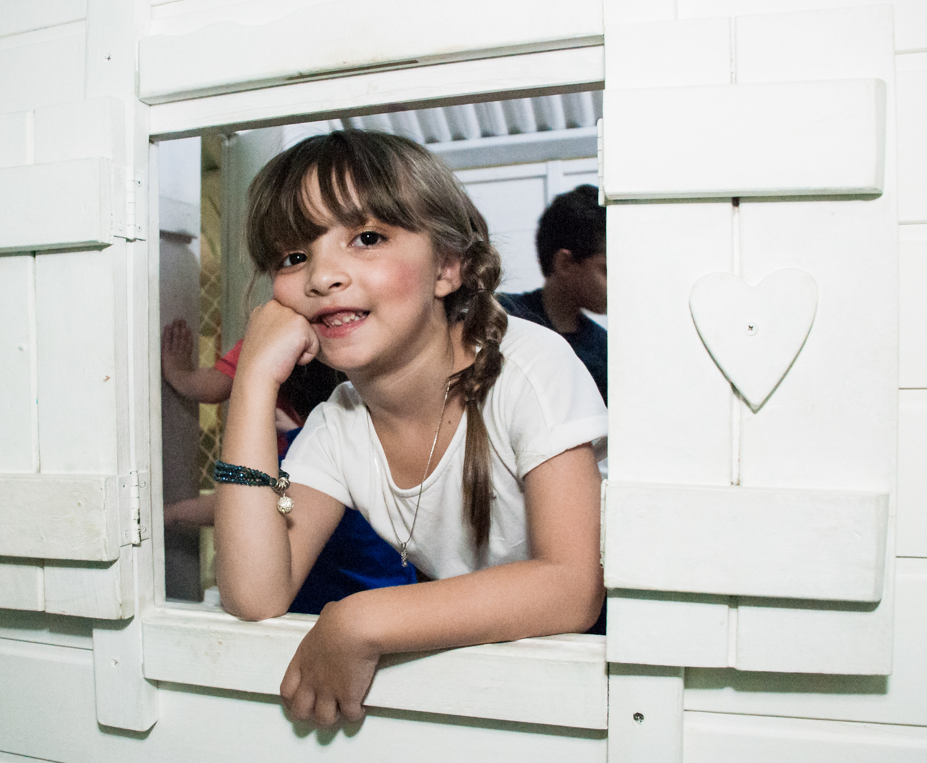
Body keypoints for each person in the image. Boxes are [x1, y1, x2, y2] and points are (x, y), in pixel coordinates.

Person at [213, 130, 607, 727]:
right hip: (488, 677)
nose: (323, 275)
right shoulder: (338, 424)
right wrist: (252, 382)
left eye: (367, 238)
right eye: (294, 256)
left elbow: (572, 587)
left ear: (447, 268)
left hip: (605, 673)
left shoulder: (532, 365)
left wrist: (360, 618)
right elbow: (255, 593)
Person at [160, 320, 415, 613]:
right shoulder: (331, 436)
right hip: (376, 591)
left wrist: (183, 376)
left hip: (343, 597)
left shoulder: (317, 443)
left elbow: (244, 504)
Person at [498, 184, 608, 403]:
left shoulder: (602, 349)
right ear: (565, 263)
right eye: (606, 270)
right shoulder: (498, 319)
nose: (617, 283)